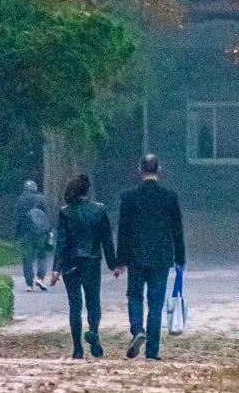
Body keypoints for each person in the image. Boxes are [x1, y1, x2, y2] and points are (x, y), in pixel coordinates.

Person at [117, 153, 185, 361]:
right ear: (159, 170)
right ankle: (153, 351)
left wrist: (120, 260)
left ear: (140, 170)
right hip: (161, 257)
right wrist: (180, 258)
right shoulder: (169, 197)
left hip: (136, 256)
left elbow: (123, 230)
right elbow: (177, 230)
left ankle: (137, 329)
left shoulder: (129, 196)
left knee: (135, 296)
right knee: (155, 303)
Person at [51, 174, 117, 359]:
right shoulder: (99, 210)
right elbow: (107, 240)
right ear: (88, 190)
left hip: (70, 264)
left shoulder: (65, 212)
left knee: (75, 306)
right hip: (92, 261)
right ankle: (94, 332)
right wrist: (113, 264)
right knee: (93, 301)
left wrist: (56, 269)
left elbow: (61, 243)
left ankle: (77, 348)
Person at [13, 179, 52, 291]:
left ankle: (29, 284)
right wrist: (48, 230)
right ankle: (40, 278)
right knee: (42, 256)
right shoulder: (41, 199)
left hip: (26, 234)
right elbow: (46, 216)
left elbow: (18, 218)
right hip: (41, 233)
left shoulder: (21, 200)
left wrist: (17, 234)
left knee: (27, 258)